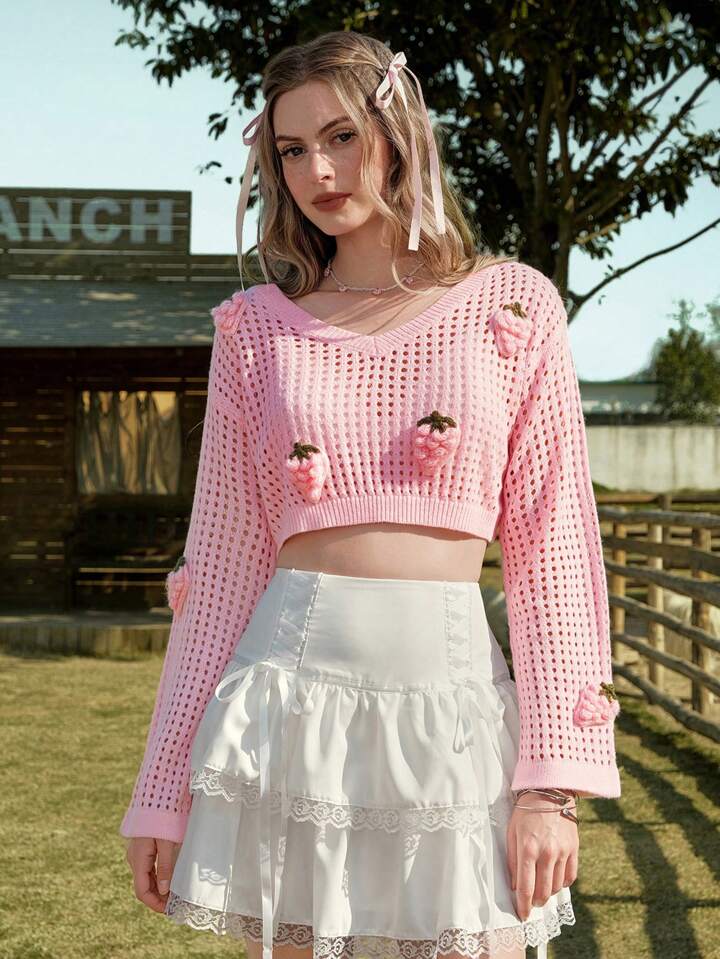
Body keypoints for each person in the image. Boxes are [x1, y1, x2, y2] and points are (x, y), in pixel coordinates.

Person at [121, 30, 621, 959]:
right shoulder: (255, 332)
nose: (317, 170)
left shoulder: (513, 306)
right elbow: (221, 569)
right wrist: (160, 788)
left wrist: (551, 786)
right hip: (290, 714)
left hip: (453, 714)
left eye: (342, 136)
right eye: (291, 150)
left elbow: (553, 553)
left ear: (399, 135)